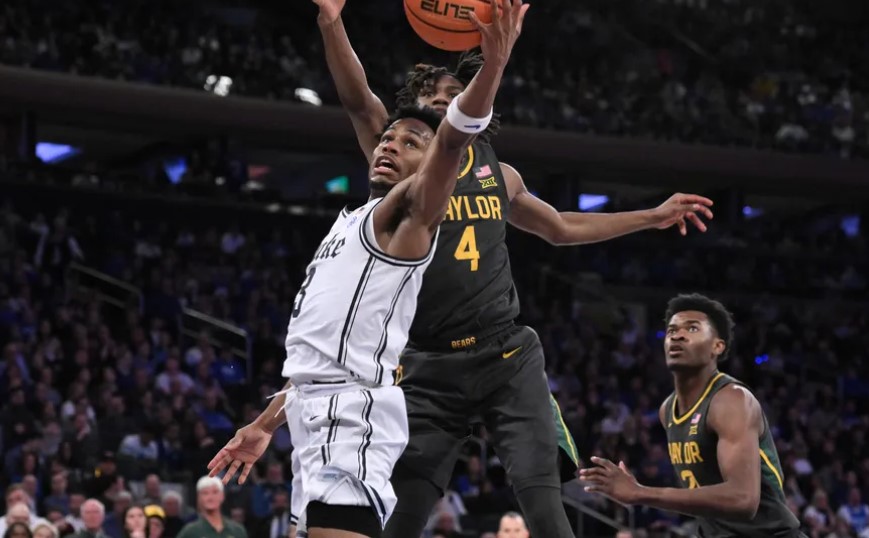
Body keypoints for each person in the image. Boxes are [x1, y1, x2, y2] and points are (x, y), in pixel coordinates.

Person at [306, 1, 715, 537]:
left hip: (505, 354)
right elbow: (358, 99)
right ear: (418, 111)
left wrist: (652, 216)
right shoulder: (401, 153)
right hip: (426, 364)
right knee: (404, 512)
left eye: (458, 96)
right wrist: (332, 21)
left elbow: (562, 228)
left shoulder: (503, 174)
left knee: (543, 501)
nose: (451, 104)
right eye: (438, 98)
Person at [208, 3, 525, 536]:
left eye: (410, 143)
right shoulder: (348, 224)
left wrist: (493, 64)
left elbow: (452, 137)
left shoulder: (409, 220)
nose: (390, 145)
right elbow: (321, 356)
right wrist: (265, 424)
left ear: (433, 170)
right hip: (313, 416)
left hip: (353, 419)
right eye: (387, 138)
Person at [580, 293, 806, 538]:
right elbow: (703, 495)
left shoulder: (731, 400)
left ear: (717, 346)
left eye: (692, 328)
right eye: (671, 330)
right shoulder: (668, 410)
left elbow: (743, 500)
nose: (677, 335)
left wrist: (640, 492)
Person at [176, 477, 246, 538]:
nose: (210, 497)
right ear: (199, 498)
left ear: (222, 496)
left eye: (215, 492)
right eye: (205, 493)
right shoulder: (190, 532)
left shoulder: (237, 530)